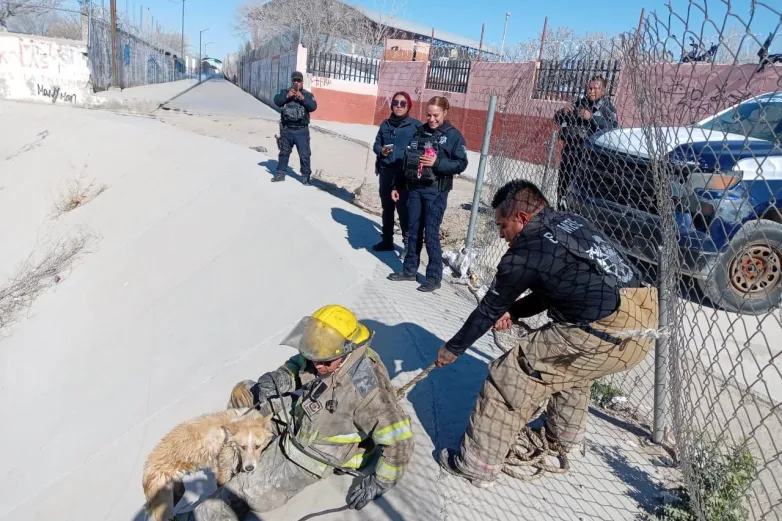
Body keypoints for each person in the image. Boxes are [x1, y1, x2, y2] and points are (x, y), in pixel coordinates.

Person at [434, 179, 658, 488]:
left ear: (522, 219)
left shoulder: (523, 255)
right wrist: (514, 311)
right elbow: (556, 288)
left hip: (606, 332)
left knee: (510, 374)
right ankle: (564, 440)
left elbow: (487, 309)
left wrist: (453, 348)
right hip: (643, 319)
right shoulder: (571, 223)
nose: (501, 234)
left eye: (503, 225)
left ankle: (477, 464)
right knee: (569, 367)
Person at [175, 304, 414, 520]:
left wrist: (379, 482)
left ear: (346, 351)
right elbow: (303, 363)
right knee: (245, 394)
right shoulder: (331, 355)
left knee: (240, 492)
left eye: (325, 362)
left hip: (313, 452)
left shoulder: (366, 391)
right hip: (304, 416)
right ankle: (238, 459)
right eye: (315, 357)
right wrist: (282, 377)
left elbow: (400, 440)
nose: (317, 365)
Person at [387, 96, 468, 292]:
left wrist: (437, 163)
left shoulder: (453, 136)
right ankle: (409, 270)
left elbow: (461, 163)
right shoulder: (420, 132)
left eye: (436, 115)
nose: (432, 119)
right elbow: (407, 160)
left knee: (431, 234)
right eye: (429, 115)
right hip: (415, 189)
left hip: (436, 192)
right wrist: (396, 185)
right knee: (413, 231)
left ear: (445, 113)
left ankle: (433, 278)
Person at [553, 75, 618, 206]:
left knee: (580, 193)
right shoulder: (579, 103)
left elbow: (612, 128)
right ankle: (560, 210)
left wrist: (591, 117)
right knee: (562, 188)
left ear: (603, 90)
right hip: (569, 153)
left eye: (595, 88)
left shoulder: (608, 109)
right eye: (589, 88)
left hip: (588, 159)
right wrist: (563, 112)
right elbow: (556, 119)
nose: (591, 91)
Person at [371, 91, 422, 256]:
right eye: (396, 103)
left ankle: (408, 246)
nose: (398, 106)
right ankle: (387, 241)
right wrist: (381, 151)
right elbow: (376, 144)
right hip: (386, 172)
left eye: (403, 103)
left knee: (403, 209)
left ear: (408, 106)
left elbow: (421, 147)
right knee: (387, 208)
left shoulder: (415, 126)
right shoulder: (385, 125)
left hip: (403, 176)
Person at [271, 71, 318, 185]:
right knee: (283, 153)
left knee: (304, 155)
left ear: (302, 82)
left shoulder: (307, 95)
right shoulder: (285, 92)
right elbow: (277, 100)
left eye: (299, 81)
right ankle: (280, 174)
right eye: (294, 81)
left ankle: (305, 177)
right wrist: (288, 96)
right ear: (292, 82)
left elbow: (313, 106)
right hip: (287, 130)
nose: (297, 83)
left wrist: (302, 98)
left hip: (301, 130)